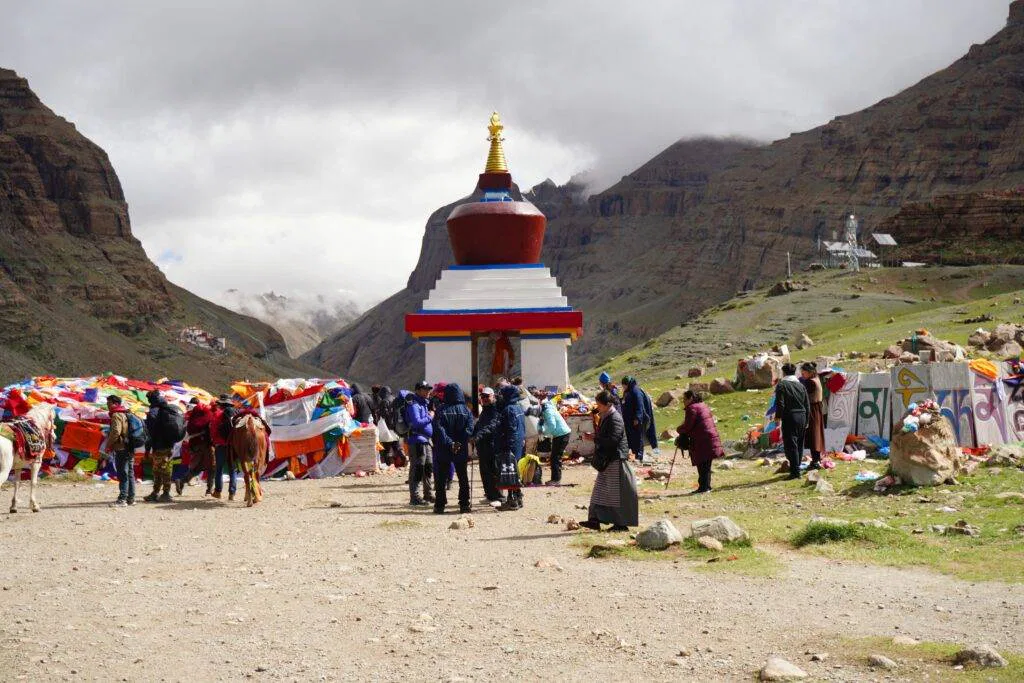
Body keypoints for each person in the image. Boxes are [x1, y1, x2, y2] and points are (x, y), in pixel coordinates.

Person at [580, 390, 638, 530]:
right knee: (599, 491)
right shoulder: (607, 416)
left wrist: (594, 438)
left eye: (599, 405)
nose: (598, 407)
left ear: (607, 404)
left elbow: (613, 440)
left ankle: (620, 524)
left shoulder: (615, 418)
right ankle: (594, 520)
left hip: (615, 459)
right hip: (608, 460)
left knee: (615, 494)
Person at [431, 383, 476, 513]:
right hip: (461, 448)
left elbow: (439, 429)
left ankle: (439, 505)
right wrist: (459, 442)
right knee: (463, 476)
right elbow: (470, 428)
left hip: (444, 448)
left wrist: (450, 443)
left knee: (441, 478)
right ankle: (464, 504)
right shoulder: (466, 410)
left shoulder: (441, 409)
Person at [676, 390, 724, 494]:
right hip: (709, 438)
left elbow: (688, 426)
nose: (683, 402)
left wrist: (679, 429)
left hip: (702, 440)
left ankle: (704, 488)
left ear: (690, 399)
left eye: (685, 399)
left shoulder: (692, 408)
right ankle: (706, 487)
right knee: (706, 464)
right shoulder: (702, 405)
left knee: (702, 464)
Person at [143, 390, 183, 503]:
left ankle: (162, 493)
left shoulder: (153, 413)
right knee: (166, 469)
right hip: (169, 445)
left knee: (158, 471)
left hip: (159, 446)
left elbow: (150, 434)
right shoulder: (167, 409)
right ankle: (161, 493)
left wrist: (147, 449)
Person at [775, 363, 810, 479]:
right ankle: (796, 468)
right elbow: (807, 404)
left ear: (784, 372)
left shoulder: (782, 385)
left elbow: (780, 403)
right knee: (799, 443)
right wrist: (807, 419)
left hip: (790, 417)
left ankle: (795, 472)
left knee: (791, 444)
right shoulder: (801, 385)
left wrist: (778, 417)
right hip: (802, 416)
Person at [495, 384, 526, 511]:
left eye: (502, 395)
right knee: (515, 472)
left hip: (510, 445)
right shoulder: (518, 408)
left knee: (509, 473)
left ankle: (512, 500)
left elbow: (511, 430)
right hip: (518, 444)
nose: (500, 397)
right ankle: (518, 497)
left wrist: (507, 446)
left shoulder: (508, 410)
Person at [404, 381, 436, 506]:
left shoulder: (424, 403)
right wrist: (430, 417)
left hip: (426, 440)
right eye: (425, 389)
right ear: (418, 390)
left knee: (428, 467)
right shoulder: (414, 405)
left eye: (429, 389)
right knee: (417, 468)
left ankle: (428, 494)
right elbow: (416, 423)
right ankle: (415, 497)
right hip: (417, 440)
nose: (428, 391)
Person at [175, 397, 214, 495]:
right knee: (211, 467)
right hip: (207, 444)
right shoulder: (208, 414)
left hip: (194, 444)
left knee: (197, 467)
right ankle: (209, 490)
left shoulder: (191, 414)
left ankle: (182, 481)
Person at [471, 387, 502, 507]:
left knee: (494, 472)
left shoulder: (496, 409)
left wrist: (479, 435)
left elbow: (493, 425)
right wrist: (473, 434)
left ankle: (498, 497)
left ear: (493, 396)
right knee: (485, 472)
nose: (484, 399)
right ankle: (490, 495)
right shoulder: (485, 410)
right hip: (483, 446)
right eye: (483, 396)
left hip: (493, 445)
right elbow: (480, 425)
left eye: (487, 396)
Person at [102, 395, 135, 507]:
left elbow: (116, 432)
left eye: (109, 403)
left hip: (121, 447)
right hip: (130, 446)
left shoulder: (116, 415)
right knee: (130, 473)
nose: (107, 405)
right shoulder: (126, 413)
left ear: (115, 404)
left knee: (123, 473)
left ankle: (122, 499)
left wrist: (108, 445)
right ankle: (131, 499)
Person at [537, 398, 571, 485]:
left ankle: (556, 480)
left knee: (555, 457)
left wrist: (544, 433)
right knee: (554, 457)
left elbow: (552, 426)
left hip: (562, 434)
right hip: (560, 434)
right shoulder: (545, 411)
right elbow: (541, 424)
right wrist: (540, 430)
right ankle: (555, 479)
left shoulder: (548, 412)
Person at [210, 394, 238, 500]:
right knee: (232, 469)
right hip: (233, 445)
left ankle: (218, 492)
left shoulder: (217, 414)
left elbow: (213, 431)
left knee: (219, 469)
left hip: (220, 446)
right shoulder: (236, 413)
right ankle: (232, 494)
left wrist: (214, 441)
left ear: (221, 404)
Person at [800, 362, 826, 469]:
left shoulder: (810, 382)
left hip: (812, 409)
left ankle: (815, 460)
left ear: (810, 372)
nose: (802, 374)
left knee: (813, 435)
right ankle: (817, 458)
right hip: (817, 408)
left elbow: (803, 396)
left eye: (804, 372)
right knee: (816, 434)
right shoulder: (817, 379)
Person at [620, 376, 649, 462]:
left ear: (628, 384)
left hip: (635, 421)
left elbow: (639, 405)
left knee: (637, 438)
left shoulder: (636, 391)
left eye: (624, 385)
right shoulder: (628, 391)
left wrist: (637, 418)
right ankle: (633, 455)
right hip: (629, 420)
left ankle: (639, 456)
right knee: (631, 438)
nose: (623, 387)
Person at [376, 386, 402, 466]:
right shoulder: (395, 399)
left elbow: (384, 415)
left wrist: (378, 412)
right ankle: (401, 462)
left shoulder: (384, 401)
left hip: (387, 427)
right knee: (396, 446)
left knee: (387, 447)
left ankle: (389, 464)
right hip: (396, 427)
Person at [641, 387, 660, 456]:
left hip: (645, 417)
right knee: (651, 431)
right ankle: (656, 450)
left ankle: (655, 451)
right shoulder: (643, 394)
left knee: (647, 433)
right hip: (647, 415)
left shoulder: (639, 394)